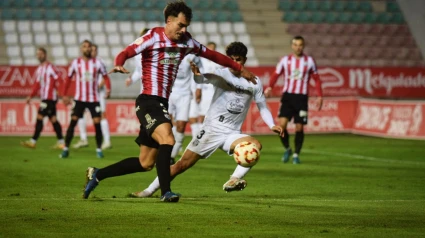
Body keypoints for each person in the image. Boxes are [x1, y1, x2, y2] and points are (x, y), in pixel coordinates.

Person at [81, 1, 256, 203]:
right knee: (169, 140)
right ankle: (166, 192)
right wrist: (119, 63)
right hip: (147, 101)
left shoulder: (187, 42)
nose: (183, 30)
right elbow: (127, 51)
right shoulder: (153, 36)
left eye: (186, 26)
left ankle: (97, 174)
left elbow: (214, 56)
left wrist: (240, 68)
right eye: (180, 25)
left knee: (145, 162)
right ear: (169, 20)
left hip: (161, 102)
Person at [132, 42, 283, 198]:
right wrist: (197, 75)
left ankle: (234, 179)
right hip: (211, 131)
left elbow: (262, 106)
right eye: (231, 59)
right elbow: (202, 80)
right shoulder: (222, 73)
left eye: (238, 60)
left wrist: (272, 124)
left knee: (255, 145)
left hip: (231, 134)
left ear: (244, 60)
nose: (234, 63)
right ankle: (148, 191)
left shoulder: (254, 82)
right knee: (181, 165)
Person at [264, 35, 323, 164]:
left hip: (301, 98)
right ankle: (288, 148)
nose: (298, 47)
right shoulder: (285, 60)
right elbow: (276, 74)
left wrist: (319, 96)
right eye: (295, 45)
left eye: (300, 45)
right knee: (282, 126)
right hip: (288, 97)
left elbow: (317, 79)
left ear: (303, 46)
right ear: (292, 46)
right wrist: (269, 87)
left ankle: (296, 154)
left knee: (299, 128)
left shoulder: (309, 61)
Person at [60, 40, 111, 159]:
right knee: (73, 122)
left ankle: (99, 149)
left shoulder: (98, 63)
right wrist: (64, 95)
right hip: (79, 99)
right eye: (84, 47)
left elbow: (106, 77)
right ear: (81, 49)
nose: (87, 49)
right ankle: (66, 148)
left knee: (97, 123)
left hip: (94, 99)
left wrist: (108, 89)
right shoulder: (75, 63)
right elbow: (67, 79)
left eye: (88, 47)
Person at [21, 47, 64, 149]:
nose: (39, 55)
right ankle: (61, 142)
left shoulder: (51, 67)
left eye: (41, 53)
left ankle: (33, 141)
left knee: (39, 117)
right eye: (38, 54)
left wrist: (61, 93)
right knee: (53, 119)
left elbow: (60, 79)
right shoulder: (40, 69)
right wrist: (30, 96)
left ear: (45, 55)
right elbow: (37, 84)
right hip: (45, 98)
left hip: (50, 98)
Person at [73, 44, 112, 150]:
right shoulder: (85, 63)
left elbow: (105, 77)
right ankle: (83, 138)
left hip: (99, 94)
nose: (93, 52)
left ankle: (107, 141)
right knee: (80, 114)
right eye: (92, 50)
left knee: (102, 116)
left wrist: (98, 87)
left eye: (95, 50)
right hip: (86, 95)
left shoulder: (100, 62)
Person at [168, 54, 203, 164]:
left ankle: (172, 156)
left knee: (181, 126)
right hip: (168, 93)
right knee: (166, 124)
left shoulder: (191, 56)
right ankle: (163, 151)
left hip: (184, 94)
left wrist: (198, 88)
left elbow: (199, 69)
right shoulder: (168, 52)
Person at [198, 42, 221, 123]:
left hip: (214, 91)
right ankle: (201, 133)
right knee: (202, 114)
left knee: (214, 114)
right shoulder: (201, 61)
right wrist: (198, 90)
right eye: (209, 50)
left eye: (213, 50)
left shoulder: (218, 62)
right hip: (204, 91)